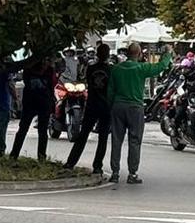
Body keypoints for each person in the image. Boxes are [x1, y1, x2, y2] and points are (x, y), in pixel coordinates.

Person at [104, 46, 171, 185]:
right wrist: (167, 54)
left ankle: (115, 173)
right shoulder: (141, 68)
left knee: (116, 141)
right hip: (135, 107)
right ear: (139, 54)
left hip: (118, 106)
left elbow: (110, 90)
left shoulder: (116, 69)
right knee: (135, 141)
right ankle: (132, 173)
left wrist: (112, 106)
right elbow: (160, 67)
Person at [62, 42, 113, 173]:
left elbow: (83, 78)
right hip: (106, 107)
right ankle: (97, 166)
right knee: (102, 139)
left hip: (92, 105)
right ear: (108, 55)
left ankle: (70, 162)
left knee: (83, 135)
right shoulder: (111, 70)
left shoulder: (91, 68)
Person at [11, 51, 57, 161]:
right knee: (25, 130)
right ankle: (15, 155)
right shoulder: (31, 69)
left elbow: (51, 86)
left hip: (40, 102)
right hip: (33, 102)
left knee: (39, 131)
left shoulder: (47, 70)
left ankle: (39, 157)